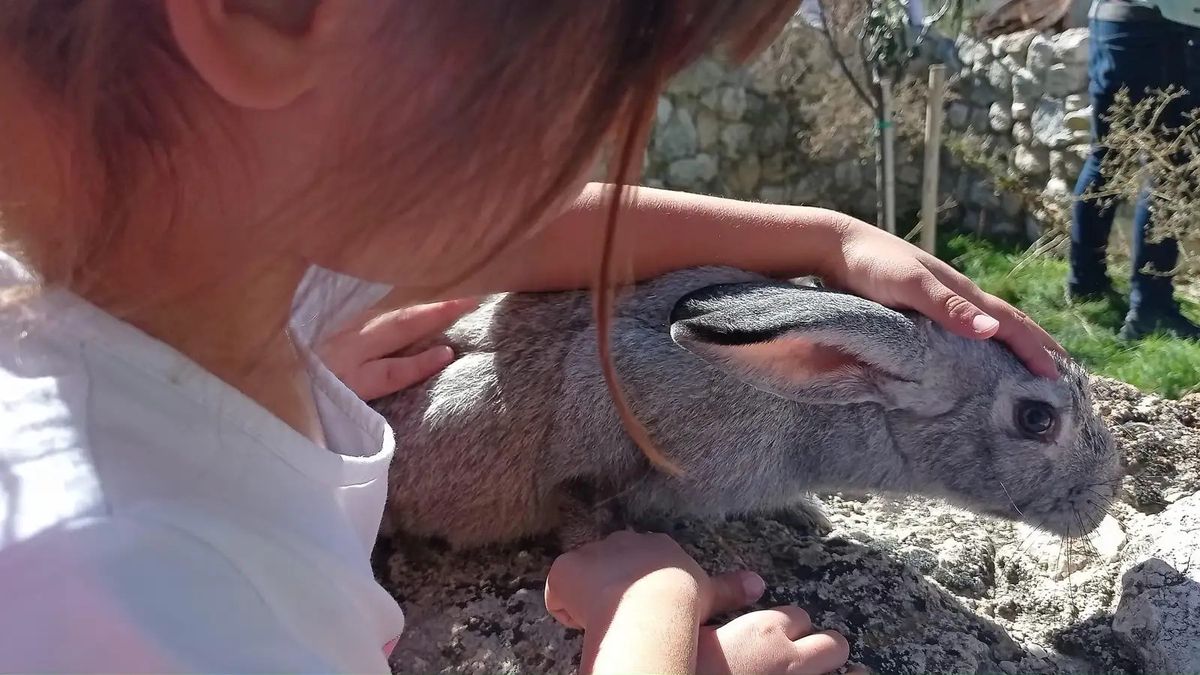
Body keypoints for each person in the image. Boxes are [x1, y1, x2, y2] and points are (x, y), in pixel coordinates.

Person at [0, 2, 1064, 673]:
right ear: (273, 14)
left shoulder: (208, 260)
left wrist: (825, 241)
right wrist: (651, 614)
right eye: (599, 78)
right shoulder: (126, 589)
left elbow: (532, 233)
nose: (596, 143)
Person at [1069, 0, 1200, 339]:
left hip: (1113, 21)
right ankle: (1151, 309)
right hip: (1163, 25)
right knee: (1170, 172)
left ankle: (1086, 282)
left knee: (1109, 158)